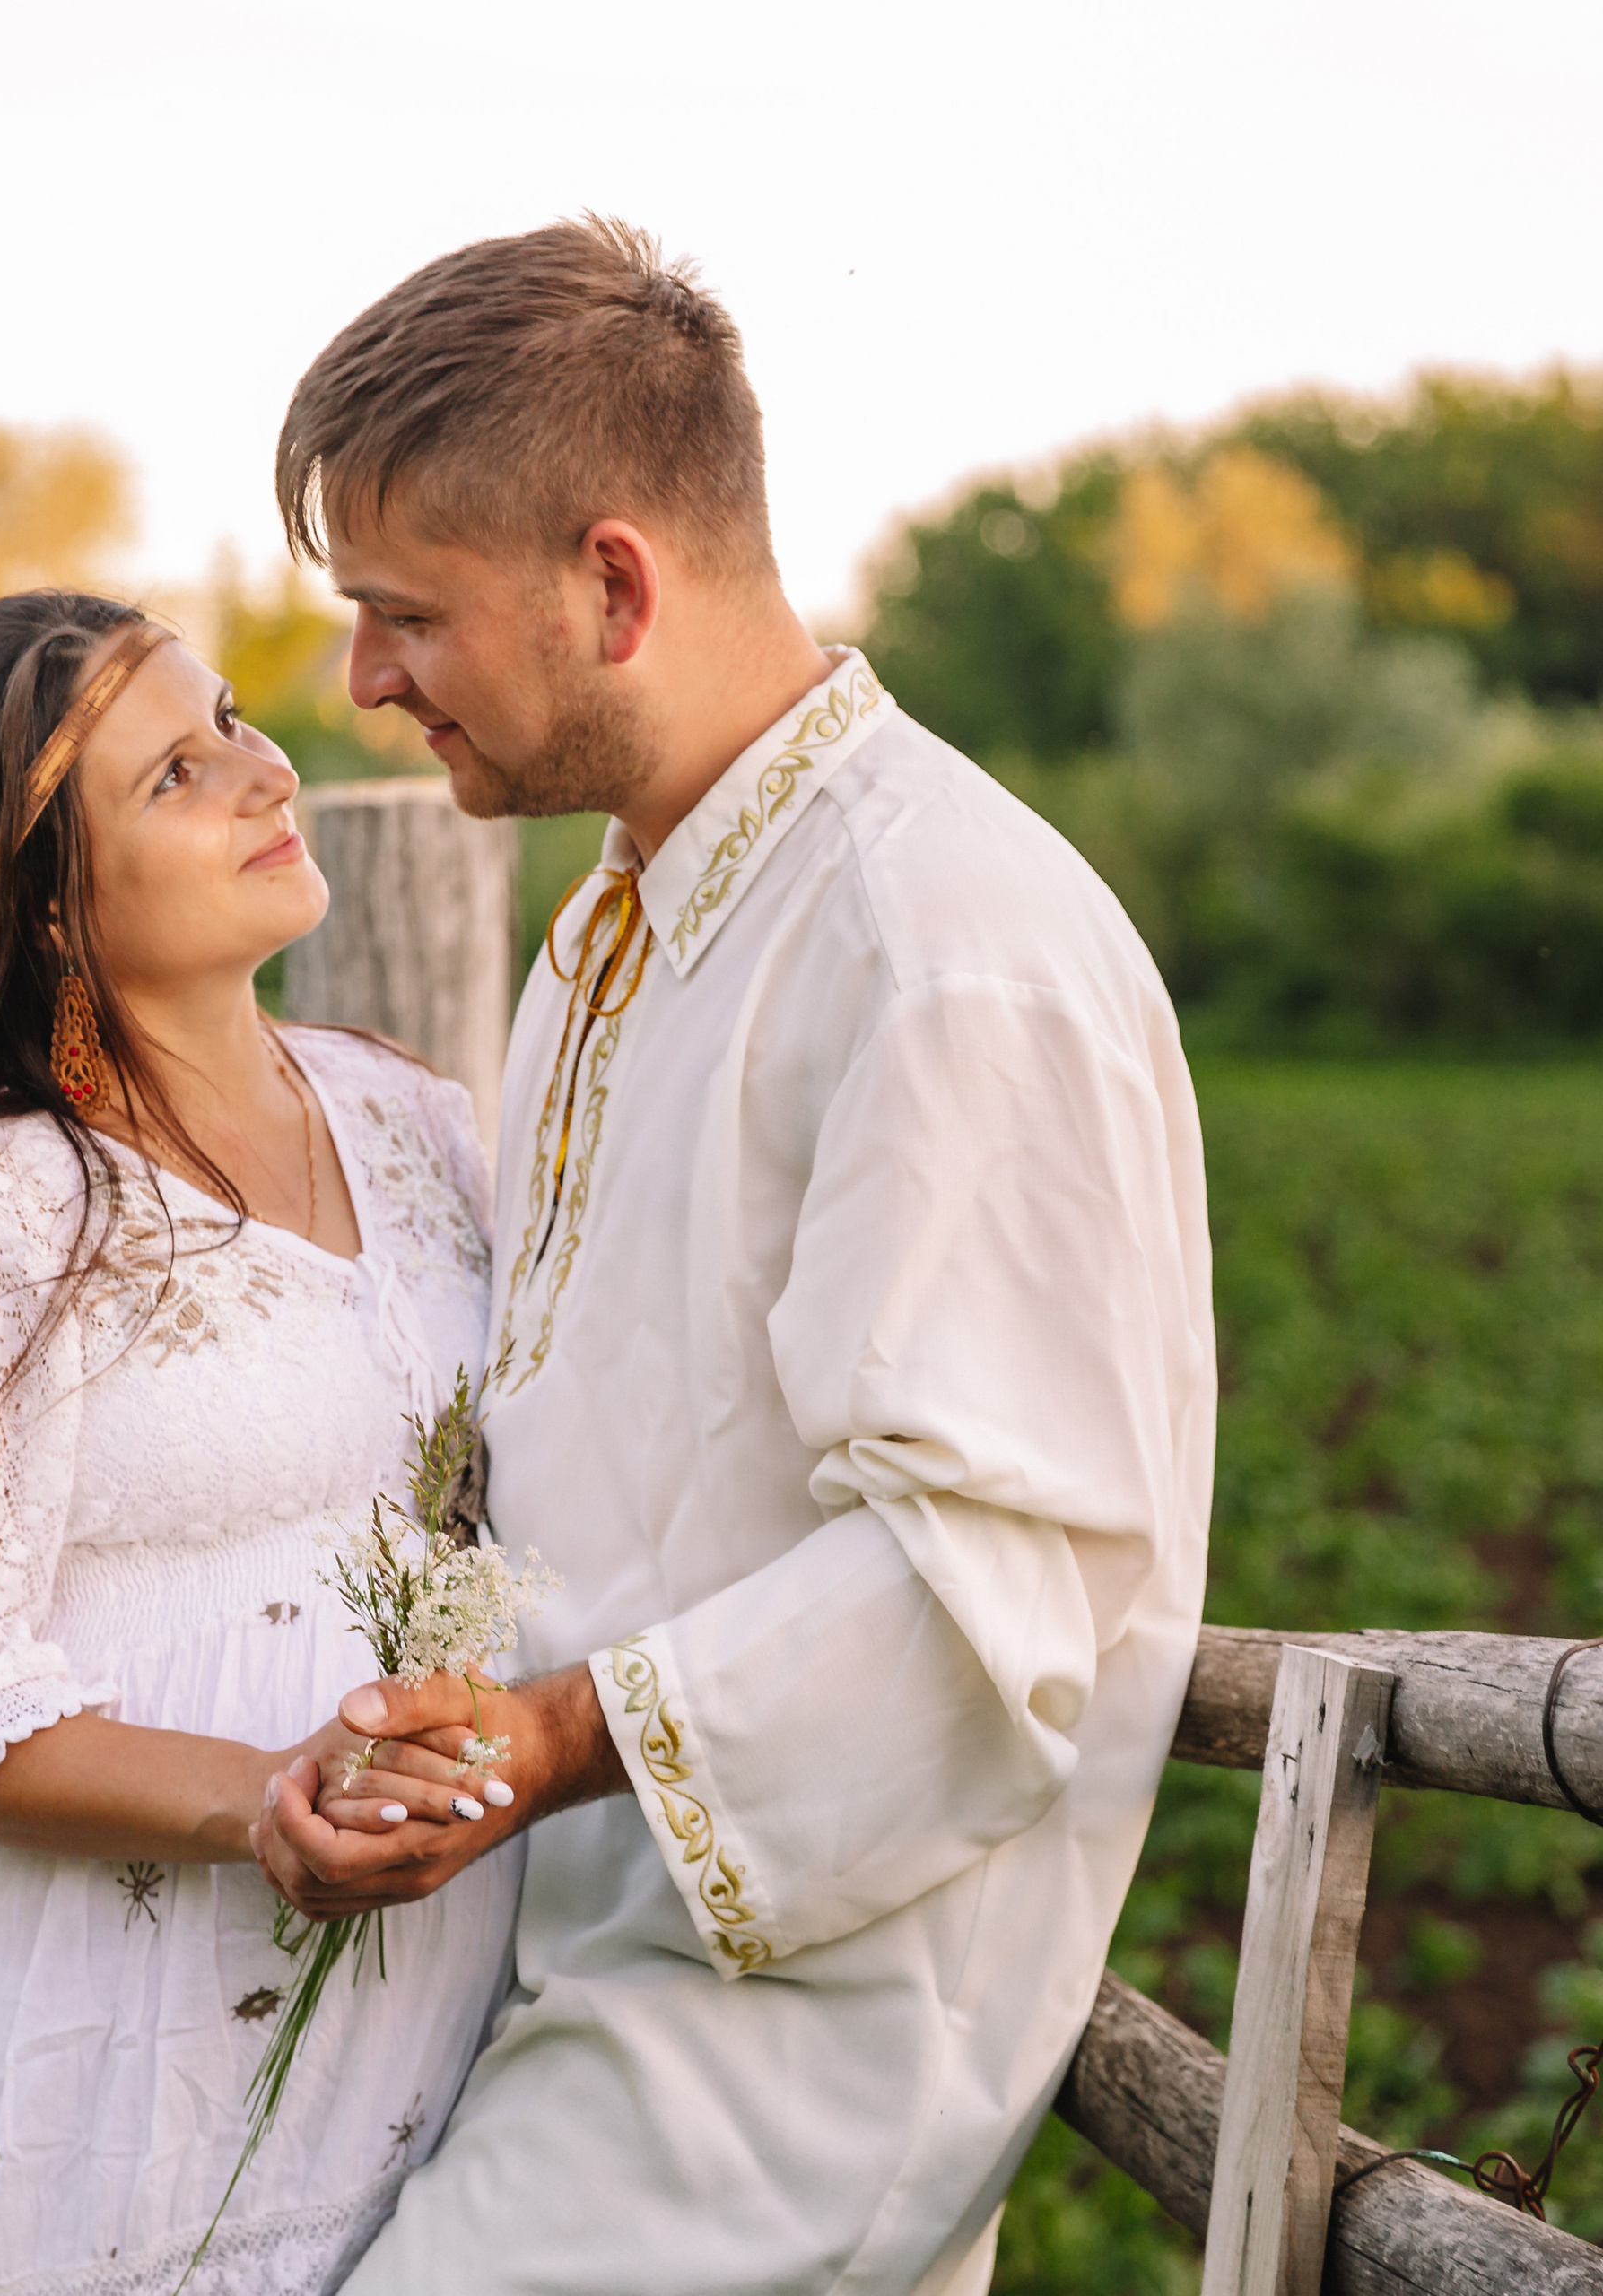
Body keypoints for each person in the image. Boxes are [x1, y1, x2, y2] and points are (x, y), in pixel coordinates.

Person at [250, 219, 1215, 2295]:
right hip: (564, 1960)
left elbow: (994, 1586)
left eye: (405, 613)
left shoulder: (938, 941)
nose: (362, 682)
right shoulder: (623, 913)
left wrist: (550, 1740)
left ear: (611, 582)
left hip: (785, 2050)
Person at [0, 593, 521, 2294]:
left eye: (235, 718)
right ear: (42, 898)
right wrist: (265, 1794)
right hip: (89, 2060)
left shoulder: (411, 1119)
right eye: (179, 773)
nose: (268, 773)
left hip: (421, 2019)